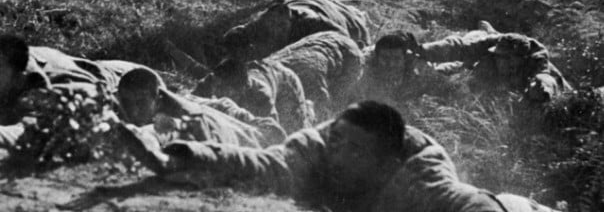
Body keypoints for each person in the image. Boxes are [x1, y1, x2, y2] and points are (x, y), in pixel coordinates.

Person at [121, 100, 556, 212]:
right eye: (337, 140)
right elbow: (266, 166)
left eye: (354, 149)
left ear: (385, 161)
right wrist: (177, 157)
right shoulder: (320, 148)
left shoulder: (420, 186)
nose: (338, 154)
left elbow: (472, 206)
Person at [115, 67, 286, 149]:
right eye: (127, 102)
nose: (133, 111)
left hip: (235, 127)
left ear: (157, 100)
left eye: (141, 103)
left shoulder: (192, 112)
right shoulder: (115, 109)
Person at [420, 24, 571, 103]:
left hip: (533, 78)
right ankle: (488, 30)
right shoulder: (490, 53)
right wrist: (423, 50)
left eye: (505, 58)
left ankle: (490, 29)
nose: (500, 61)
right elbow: (460, 48)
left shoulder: (537, 63)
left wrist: (543, 91)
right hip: (488, 40)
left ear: (518, 59)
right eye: (498, 57)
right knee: (472, 50)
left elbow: (550, 82)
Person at [222, 0, 371, 61]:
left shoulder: (313, 24)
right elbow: (237, 35)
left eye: (281, 26)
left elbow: (343, 38)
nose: (275, 30)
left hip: (327, 10)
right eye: (272, 26)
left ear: (292, 21)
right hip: (300, 0)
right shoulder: (262, 24)